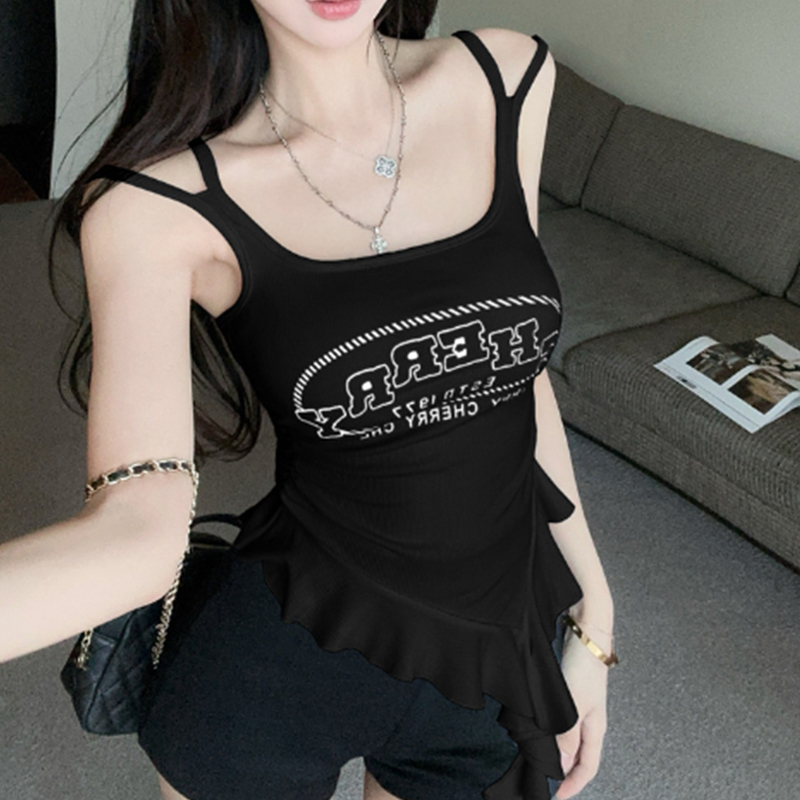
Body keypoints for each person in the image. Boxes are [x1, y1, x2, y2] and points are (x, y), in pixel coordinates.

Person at [0, 2, 617, 799]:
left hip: (492, 667)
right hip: (275, 672)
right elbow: (137, 527)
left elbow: (513, 369)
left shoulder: (506, 77)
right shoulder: (155, 207)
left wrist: (594, 612)